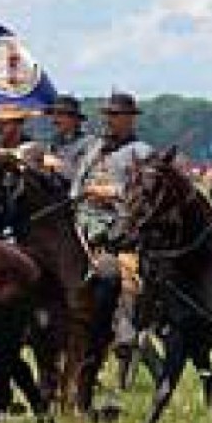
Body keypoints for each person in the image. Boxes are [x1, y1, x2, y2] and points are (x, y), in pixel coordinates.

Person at [72, 91, 152, 331]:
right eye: (108, 115)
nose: (109, 120)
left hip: (122, 227)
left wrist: (114, 191)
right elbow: (76, 188)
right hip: (83, 225)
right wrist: (84, 194)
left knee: (126, 273)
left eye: (115, 115)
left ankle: (126, 326)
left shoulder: (143, 152)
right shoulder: (94, 149)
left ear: (130, 118)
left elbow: (148, 193)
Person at [43, 94, 95, 183]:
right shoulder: (55, 142)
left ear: (75, 119)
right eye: (53, 115)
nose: (54, 120)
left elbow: (83, 176)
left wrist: (56, 163)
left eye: (60, 115)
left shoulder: (89, 143)